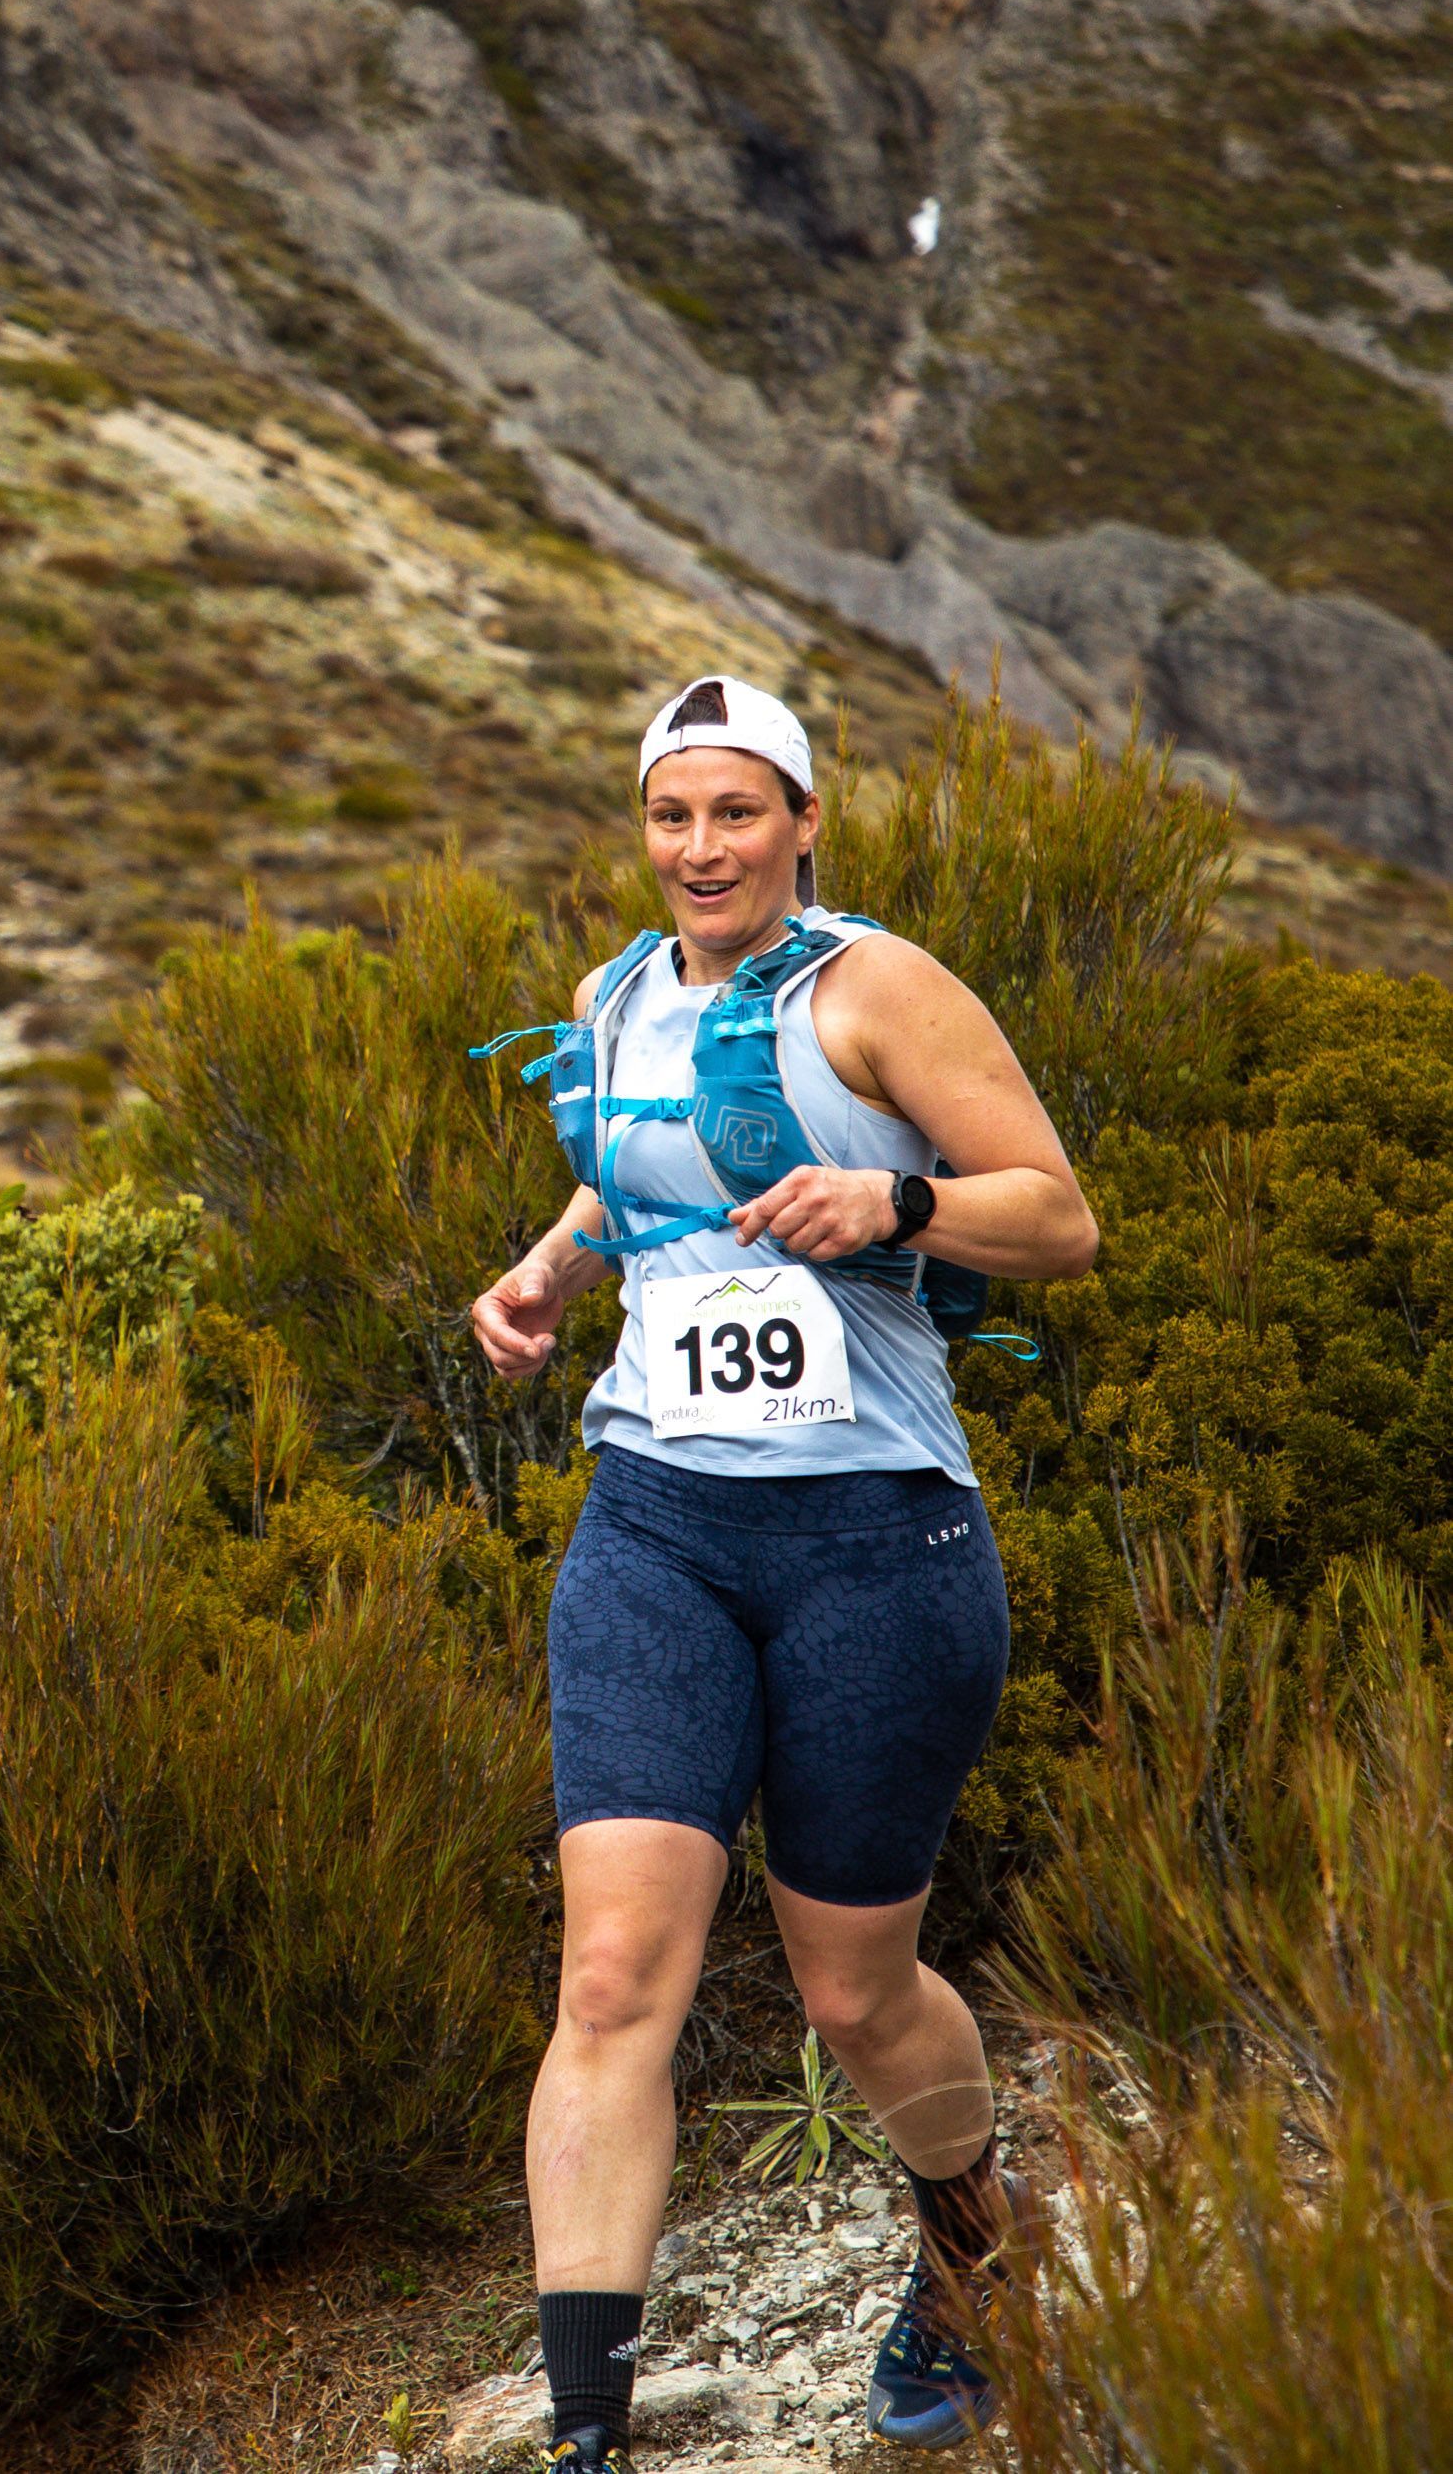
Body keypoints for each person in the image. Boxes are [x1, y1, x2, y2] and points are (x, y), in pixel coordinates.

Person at [470, 675, 1098, 2466]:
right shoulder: (612, 995)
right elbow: (626, 1180)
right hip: (653, 1525)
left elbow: (1058, 1214)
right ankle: (584, 2430)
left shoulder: (877, 988)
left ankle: (977, 2257)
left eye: (736, 812)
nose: (701, 849)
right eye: (673, 816)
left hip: (874, 1543)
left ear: (803, 819)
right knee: (610, 1980)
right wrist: (544, 1280)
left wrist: (894, 1204)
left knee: (853, 1989)